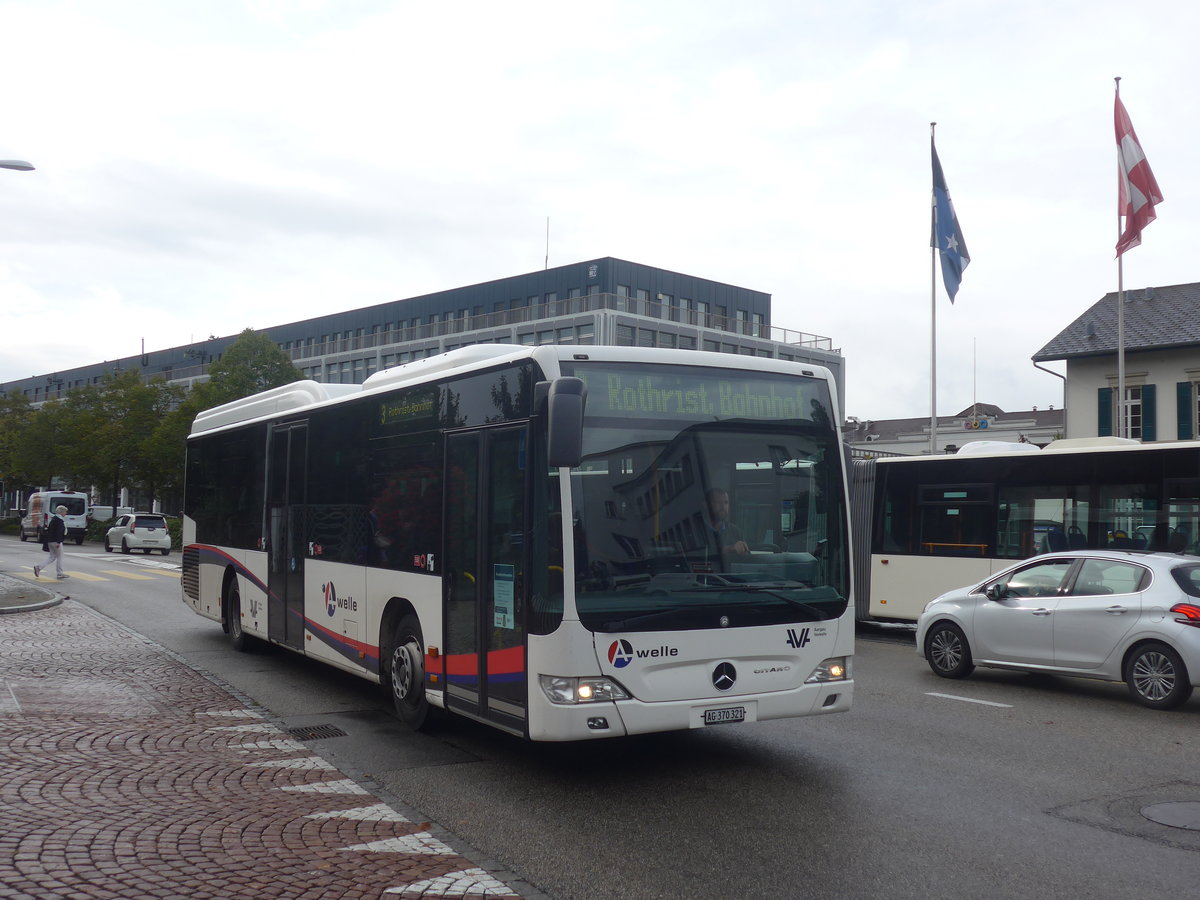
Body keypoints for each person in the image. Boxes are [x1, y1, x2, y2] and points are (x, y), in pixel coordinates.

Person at [704, 488, 749, 557]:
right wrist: (730, 549)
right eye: (718, 502)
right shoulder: (694, 530)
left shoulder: (734, 530)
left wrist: (744, 552)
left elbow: (747, 558)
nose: (723, 506)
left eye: (726, 502)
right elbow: (698, 554)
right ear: (706, 505)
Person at [34, 505, 70, 580]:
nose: (66, 513)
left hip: (50, 541)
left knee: (52, 557)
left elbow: (50, 531)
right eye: (65, 511)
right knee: (60, 556)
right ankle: (59, 573)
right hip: (56, 541)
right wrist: (58, 542)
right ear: (61, 512)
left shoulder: (53, 519)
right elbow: (59, 532)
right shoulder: (59, 520)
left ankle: (38, 567)